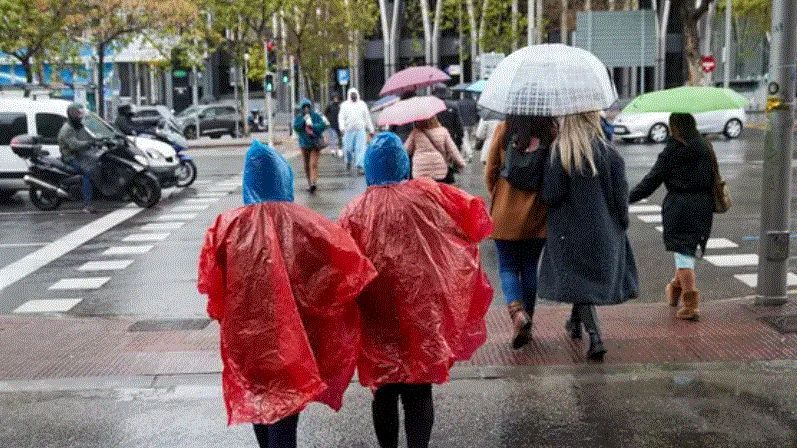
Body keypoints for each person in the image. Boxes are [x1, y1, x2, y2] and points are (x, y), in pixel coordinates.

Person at [198, 141, 376, 448]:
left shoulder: (225, 227)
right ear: (283, 177)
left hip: (245, 337)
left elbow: (213, 288)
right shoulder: (304, 222)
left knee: (259, 399)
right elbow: (343, 269)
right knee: (285, 407)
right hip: (290, 335)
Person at [339, 132, 493, 448]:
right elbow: (470, 221)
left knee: (384, 390)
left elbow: (341, 268)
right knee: (419, 388)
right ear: (403, 164)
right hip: (422, 312)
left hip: (376, 316)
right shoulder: (428, 195)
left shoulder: (355, 211)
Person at [538, 111, 639, 362]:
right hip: (603, 229)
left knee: (577, 279)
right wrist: (621, 224)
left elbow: (551, 195)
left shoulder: (559, 154)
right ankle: (575, 322)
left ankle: (595, 337)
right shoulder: (610, 153)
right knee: (582, 281)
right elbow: (620, 196)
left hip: (568, 232)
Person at [629, 113, 714, 321]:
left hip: (680, 207)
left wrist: (626, 198)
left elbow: (650, 182)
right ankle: (675, 289)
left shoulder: (673, 151)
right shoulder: (705, 146)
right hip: (703, 205)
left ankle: (691, 305)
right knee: (686, 250)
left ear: (674, 127)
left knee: (683, 255)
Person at [484, 116, 557, 349]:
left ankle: (517, 314)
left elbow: (491, 169)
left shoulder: (504, 129)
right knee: (528, 267)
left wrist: (497, 194)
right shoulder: (551, 131)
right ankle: (528, 320)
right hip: (536, 212)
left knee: (507, 266)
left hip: (505, 210)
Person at [58, 103, 98, 213]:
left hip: (78, 155)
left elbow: (88, 133)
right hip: (70, 158)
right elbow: (74, 145)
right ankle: (87, 205)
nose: (80, 116)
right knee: (87, 173)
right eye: (77, 113)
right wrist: (89, 143)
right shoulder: (67, 129)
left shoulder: (75, 125)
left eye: (80, 113)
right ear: (71, 114)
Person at [404, 116, 465, 184]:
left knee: (422, 192)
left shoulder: (415, 132)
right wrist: (461, 163)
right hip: (439, 170)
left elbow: (406, 150)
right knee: (438, 192)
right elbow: (453, 150)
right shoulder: (443, 131)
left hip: (420, 171)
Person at [292, 99, 327, 193]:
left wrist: (313, 126)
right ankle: (309, 183)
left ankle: (313, 183)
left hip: (314, 144)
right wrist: (304, 121)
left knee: (313, 164)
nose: (306, 109)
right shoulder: (299, 117)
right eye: (304, 107)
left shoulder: (316, 116)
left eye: (308, 107)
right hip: (304, 144)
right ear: (302, 108)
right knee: (306, 165)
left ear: (310, 107)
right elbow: (296, 127)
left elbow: (323, 125)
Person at [338, 88, 375, 173]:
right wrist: (342, 127)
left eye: (355, 94)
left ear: (357, 94)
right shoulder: (344, 105)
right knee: (348, 149)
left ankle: (360, 166)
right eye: (352, 94)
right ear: (349, 95)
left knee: (361, 149)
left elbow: (367, 118)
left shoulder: (362, 105)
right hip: (348, 131)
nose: (353, 96)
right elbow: (341, 117)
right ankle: (348, 161)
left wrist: (371, 129)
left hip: (360, 131)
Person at [431, 84, 464, 151]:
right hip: (450, 138)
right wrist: (459, 142)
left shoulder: (431, 106)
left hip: (434, 140)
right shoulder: (453, 105)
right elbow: (459, 125)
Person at [458, 93, 479, 161]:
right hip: (472, 124)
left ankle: (469, 154)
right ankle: (464, 155)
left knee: (465, 139)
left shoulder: (460, 102)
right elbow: (477, 113)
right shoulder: (474, 102)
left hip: (463, 124)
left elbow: (458, 114)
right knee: (469, 139)